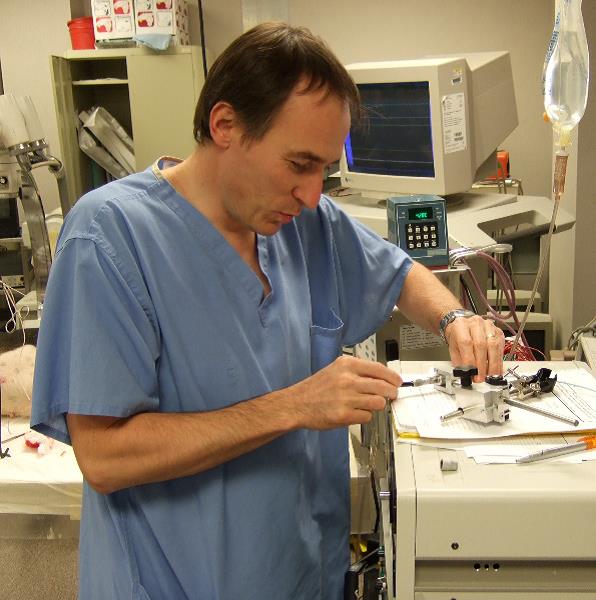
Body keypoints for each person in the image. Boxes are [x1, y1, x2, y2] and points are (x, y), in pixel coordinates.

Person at [31, 22, 504, 600]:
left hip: (301, 573)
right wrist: (295, 406)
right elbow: (104, 456)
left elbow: (400, 272)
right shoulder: (111, 236)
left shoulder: (303, 223)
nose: (312, 194)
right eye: (299, 164)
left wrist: (456, 320)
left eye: (324, 170)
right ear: (225, 125)